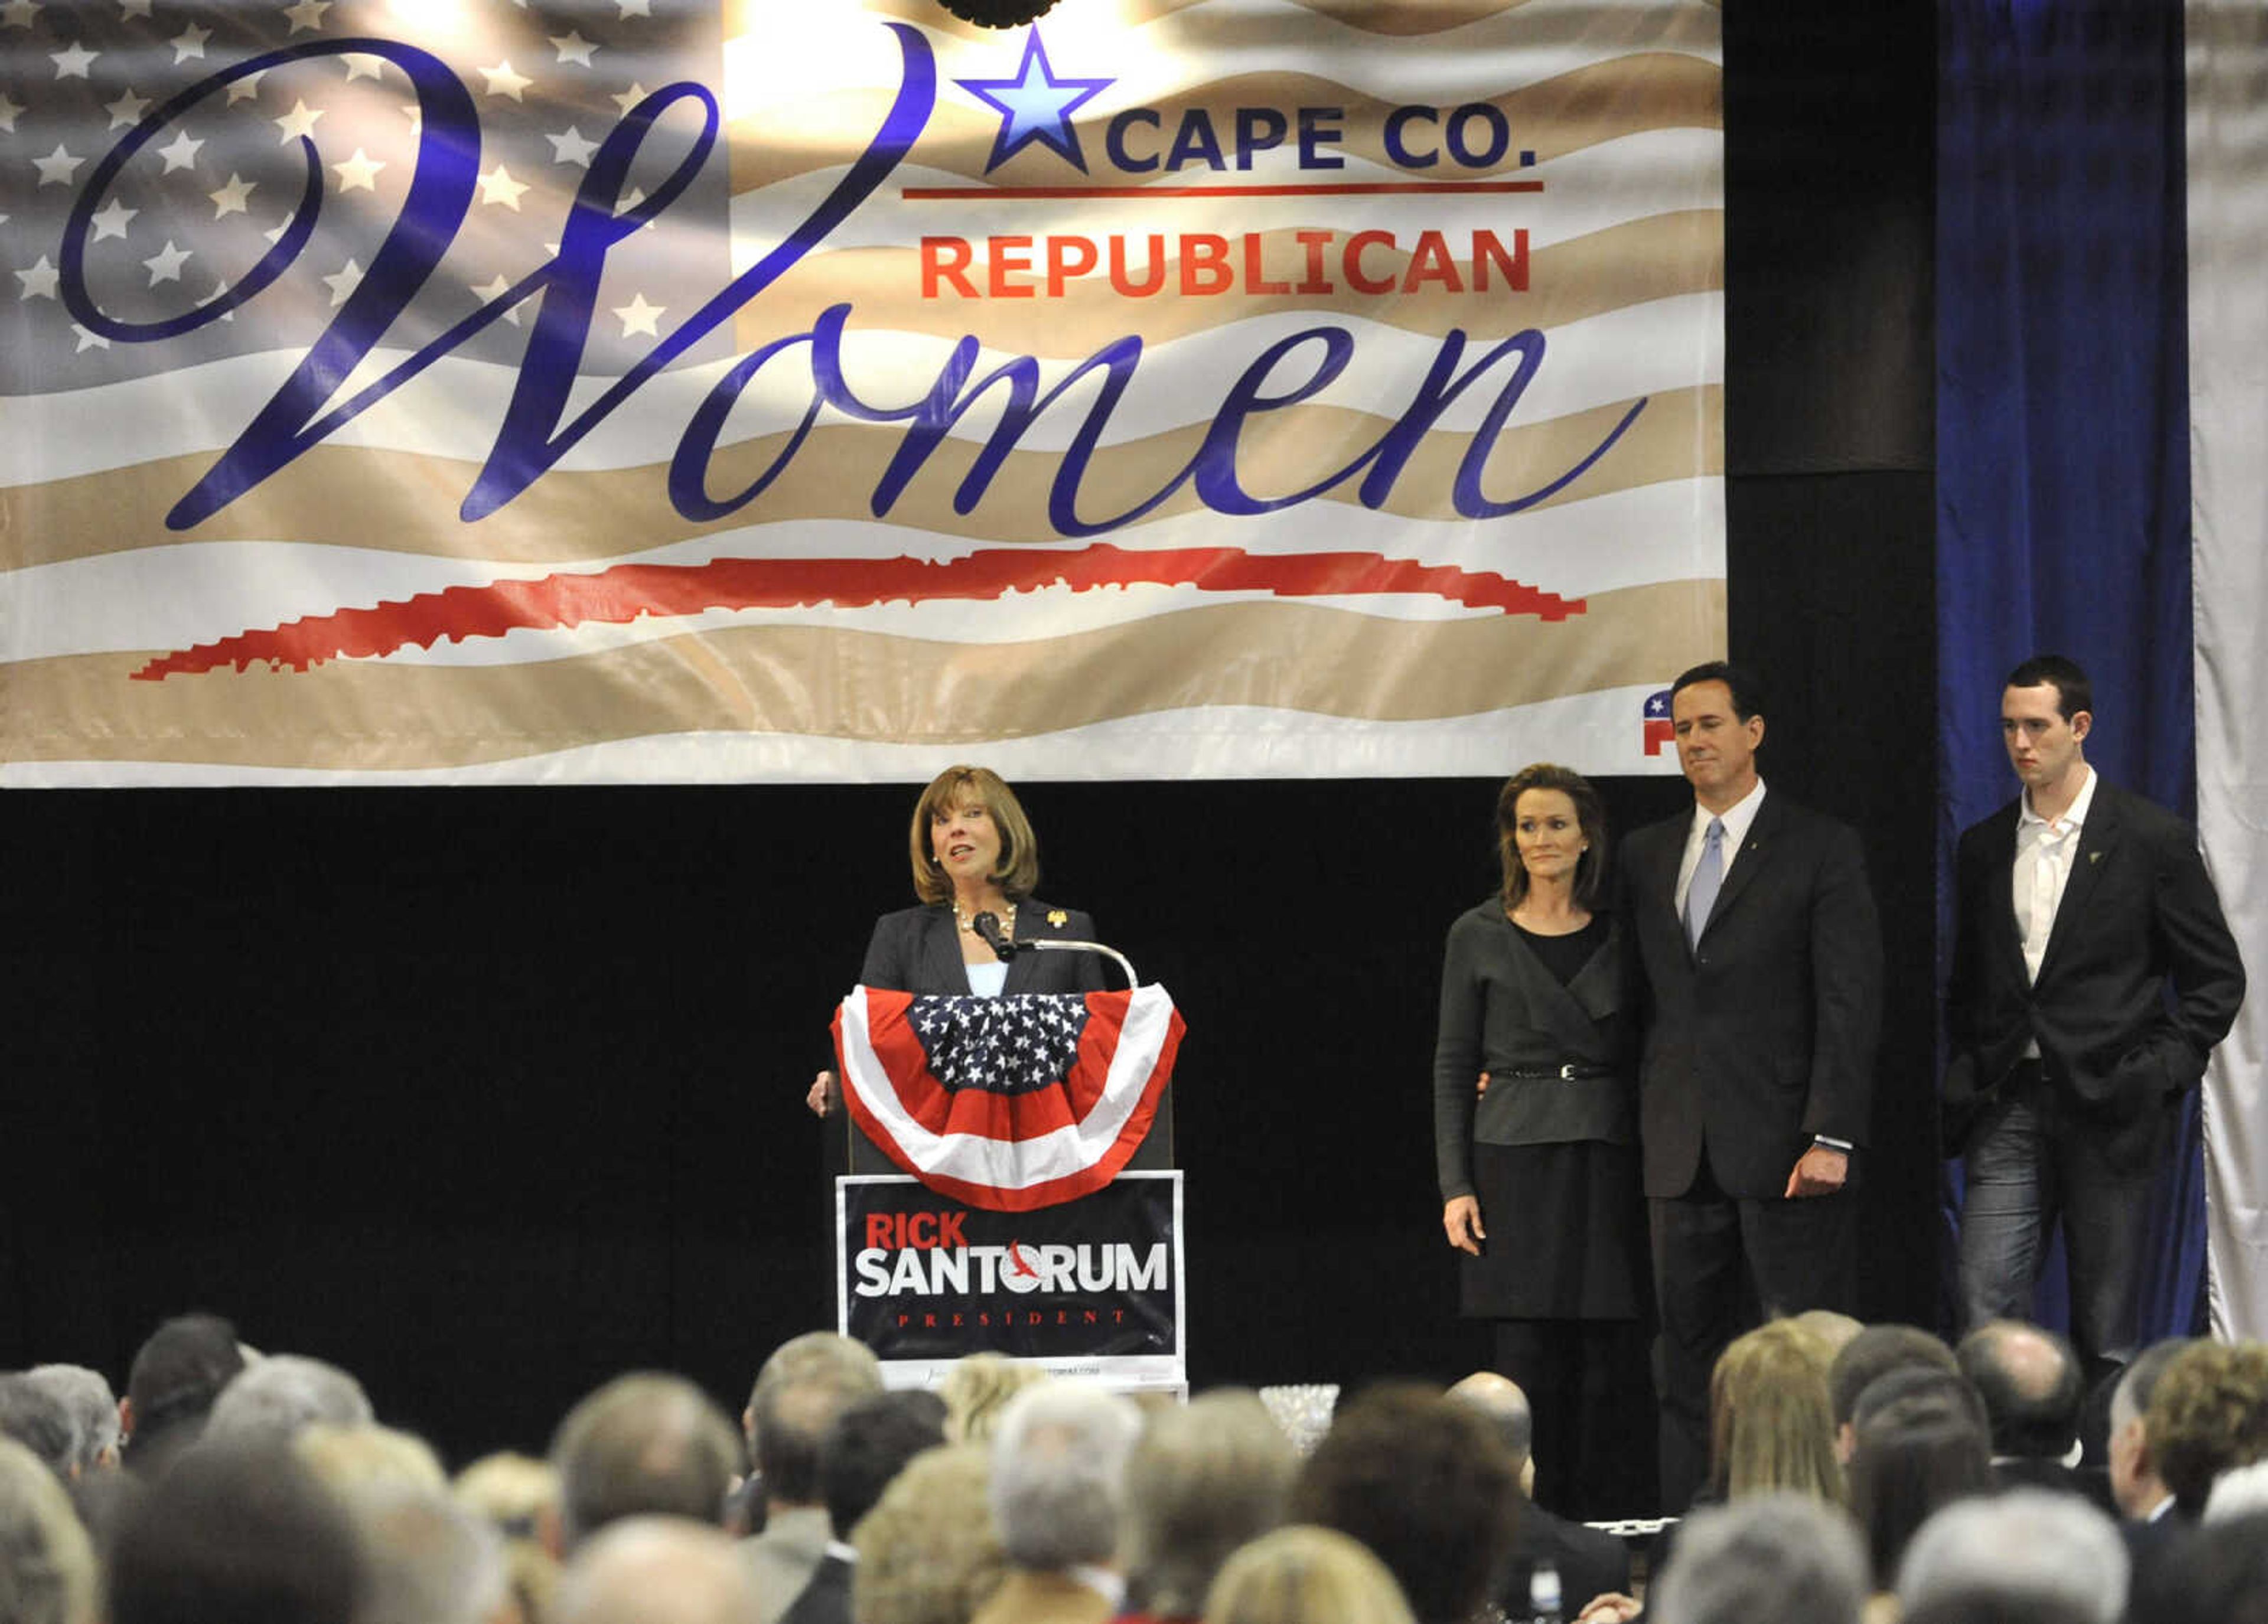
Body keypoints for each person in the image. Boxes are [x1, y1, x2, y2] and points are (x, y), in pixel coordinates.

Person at [1620, 660, 1884, 1510]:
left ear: (1753, 731)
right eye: (1681, 728)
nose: (1692, 741)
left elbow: (1850, 998)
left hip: (1786, 1149)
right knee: (1685, 1358)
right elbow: (1628, 996)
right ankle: (1685, 1534)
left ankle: (1815, 1527)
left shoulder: (1820, 844)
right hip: (1678, 1149)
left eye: (1708, 724)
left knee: (1799, 1355)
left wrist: (1833, 1132)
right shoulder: (1646, 851)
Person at [1945, 656, 2246, 1385]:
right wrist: (1968, 1067)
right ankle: (2005, 1469)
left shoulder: (2149, 838)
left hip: (2111, 1108)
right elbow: (1973, 981)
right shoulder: (1984, 845)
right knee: (1985, 1303)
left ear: (2079, 727)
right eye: (2010, 726)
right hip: (2008, 1100)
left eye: (2037, 725)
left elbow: (2216, 978)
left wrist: (2157, 1072)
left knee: (2107, 1326)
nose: (2021, 741)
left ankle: (2105, 1485)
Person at [1432, 763, 1650, 1518]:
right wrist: (1455, 1184)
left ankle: (1593, 1532)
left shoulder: (1626, 931)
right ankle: (1519, 1533)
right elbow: (1455, 1064)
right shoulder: (1477, 932)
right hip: (1509, 1163)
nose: (1542, 839)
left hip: (1603, 1156)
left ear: (1587, 834)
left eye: (1557, 823)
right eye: (1527, 825)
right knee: (1523, 1361)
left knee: (1601, 1367)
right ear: (1511, 839)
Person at [809, 765, 1106, 1117]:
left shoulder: (1068, 932)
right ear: (932, 845)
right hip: (935, 1139)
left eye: (974, 814)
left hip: (1043, 1137)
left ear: (1005, 832)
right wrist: (838, 1079)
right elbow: (868, 1037)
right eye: (942, 821)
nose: (956, 829)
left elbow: (1098, 1049)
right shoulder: (900, 935)